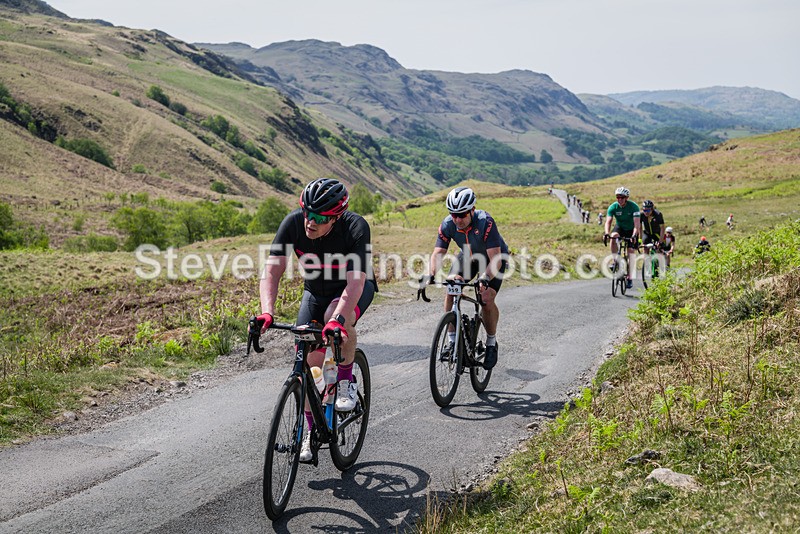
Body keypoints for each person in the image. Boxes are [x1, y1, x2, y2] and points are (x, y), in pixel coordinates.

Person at [258, 177, 377, 461]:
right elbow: (272, 271)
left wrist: (337, 319)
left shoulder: (355, 227)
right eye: (307, 213)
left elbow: (355, 282)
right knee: (309, 365)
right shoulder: (293, 223)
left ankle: (345, 381)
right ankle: (312, 431)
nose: (310, 222)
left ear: (335, 218)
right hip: (314, 292)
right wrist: (267, 311)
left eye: (320, 218)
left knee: (336, 319)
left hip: (352, 289)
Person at [423, 186, 508, 370]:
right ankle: (452, 341)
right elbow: (438, 253)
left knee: (486, 297)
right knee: (451, 287)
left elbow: (495, 259)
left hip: (493, 258)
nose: (457, 220)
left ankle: (491, 343)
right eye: (453, 215)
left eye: (462, 215)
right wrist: (430, 274)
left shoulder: (485, 222)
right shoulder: (448, 224)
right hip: (469, 256)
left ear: (472, 210)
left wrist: (485, 277)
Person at [603, 186, 640, 289]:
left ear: (626, 198)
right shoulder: (613, 207)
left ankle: (630, 277)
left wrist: (634, 235)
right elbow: (608, 222)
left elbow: (637, 225)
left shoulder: (634, 207)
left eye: (622, 197)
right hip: (620, 227)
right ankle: (615, 261)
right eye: (618, 197)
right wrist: (606, 233)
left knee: (631, 252)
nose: (619, 199)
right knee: (613, 236)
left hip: (631, 229)